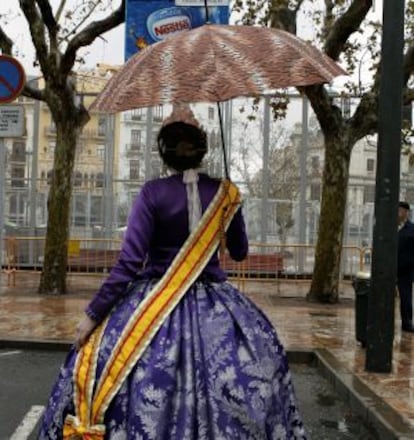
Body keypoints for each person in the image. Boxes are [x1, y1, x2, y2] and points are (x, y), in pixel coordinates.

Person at [38, 105, 306, 439]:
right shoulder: (226, 194)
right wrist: (226, 216)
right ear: (203, 150)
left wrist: (93, 315)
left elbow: (128, 263)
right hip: (217, 305)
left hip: (153, 303)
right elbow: (239, 252)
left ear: (163, 153)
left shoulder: (152, 193)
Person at [397, 201, 414, 333]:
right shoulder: (388, 227)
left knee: (406, 297)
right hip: (388, 268)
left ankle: (407, 322)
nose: (398, 213)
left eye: (401, 210)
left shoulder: (412, 228)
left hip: (405, 269)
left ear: (406, 213)